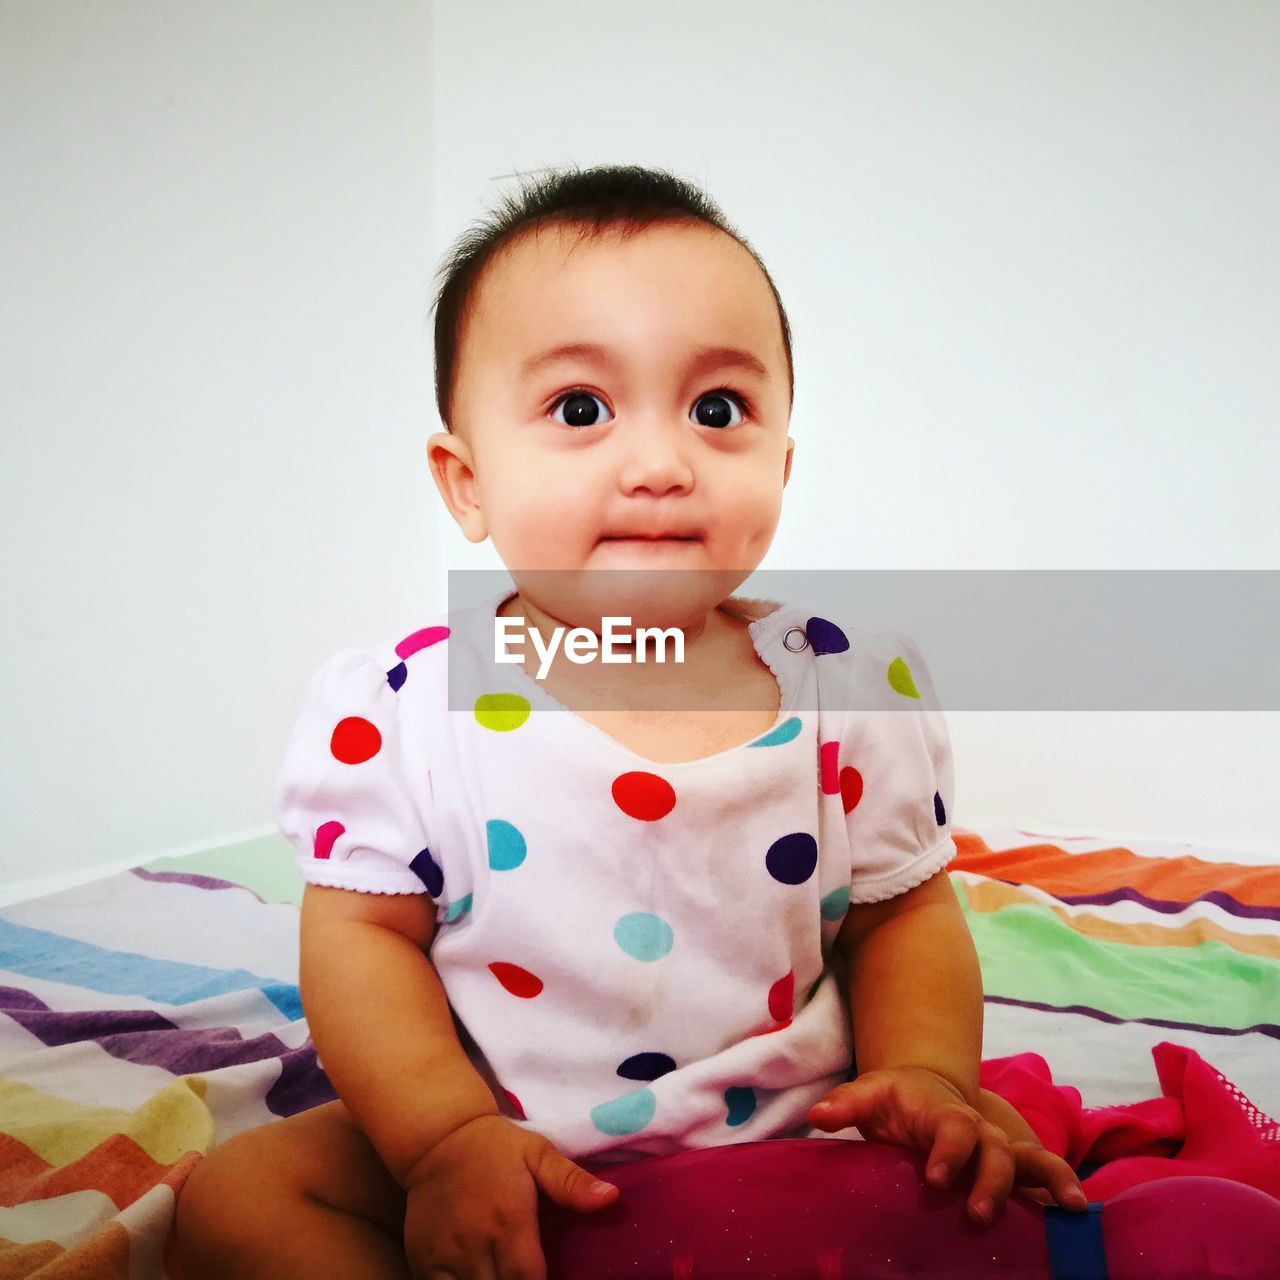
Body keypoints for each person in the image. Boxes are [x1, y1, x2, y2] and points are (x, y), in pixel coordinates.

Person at [169, 163, 1088, 1280]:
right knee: (240, 1196)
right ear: (465, 481)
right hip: (502, 1128)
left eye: (717, 411)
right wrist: (441, 1139)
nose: (658, 464)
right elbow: (362, 939)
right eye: (579, 410)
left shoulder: (845, 689)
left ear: (780, 463)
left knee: (981, 1174)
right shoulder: (403, 713)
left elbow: (898, 916)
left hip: (796, 1123)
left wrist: (928, 1074)